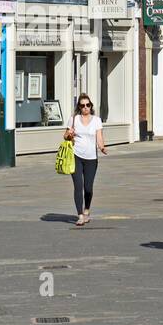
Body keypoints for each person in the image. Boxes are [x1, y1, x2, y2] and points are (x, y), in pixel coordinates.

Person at [64, 93, 107, 226]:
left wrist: (102, 147)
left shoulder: (96, 120)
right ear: (79, 107)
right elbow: (65, 136)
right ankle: (80, 215)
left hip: (91, 158)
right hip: (76, 156)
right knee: (78, 186)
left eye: (87, 105)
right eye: (82, 106)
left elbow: (99, 136)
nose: (85, 108)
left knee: (88, 188)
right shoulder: (74, 119)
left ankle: (87, 210)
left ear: (91, 106)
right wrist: (69, 134)